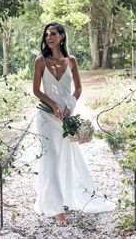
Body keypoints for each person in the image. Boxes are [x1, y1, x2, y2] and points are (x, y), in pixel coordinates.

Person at [33, 22, 115, 226]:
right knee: (50, 160)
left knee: (63, 160)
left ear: (62, 36)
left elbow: (78, 89)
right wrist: (53, 105)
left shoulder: (71, 61)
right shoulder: (40, 61)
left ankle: (61, 198)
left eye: (53, 34)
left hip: (65, 120)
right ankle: (56, 209)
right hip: (45, 118)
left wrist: (69, 107)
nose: (49, 37)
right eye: (46, 34)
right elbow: (36, 91)